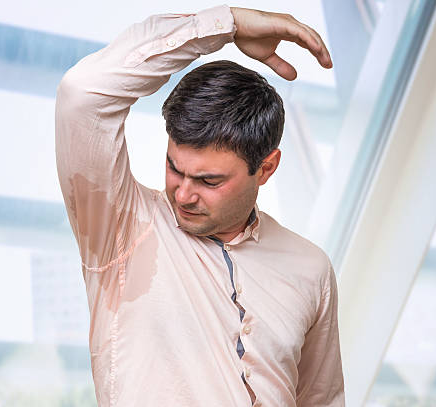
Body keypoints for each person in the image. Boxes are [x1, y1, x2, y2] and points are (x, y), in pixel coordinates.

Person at [55, 5, 344, 406]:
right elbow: (82, 93)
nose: (183, 194)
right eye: (174, 169)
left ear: (266, 168)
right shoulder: (121, 227)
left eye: (209, 181)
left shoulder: (311, 269)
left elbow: (322, 399)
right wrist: (227, 25)